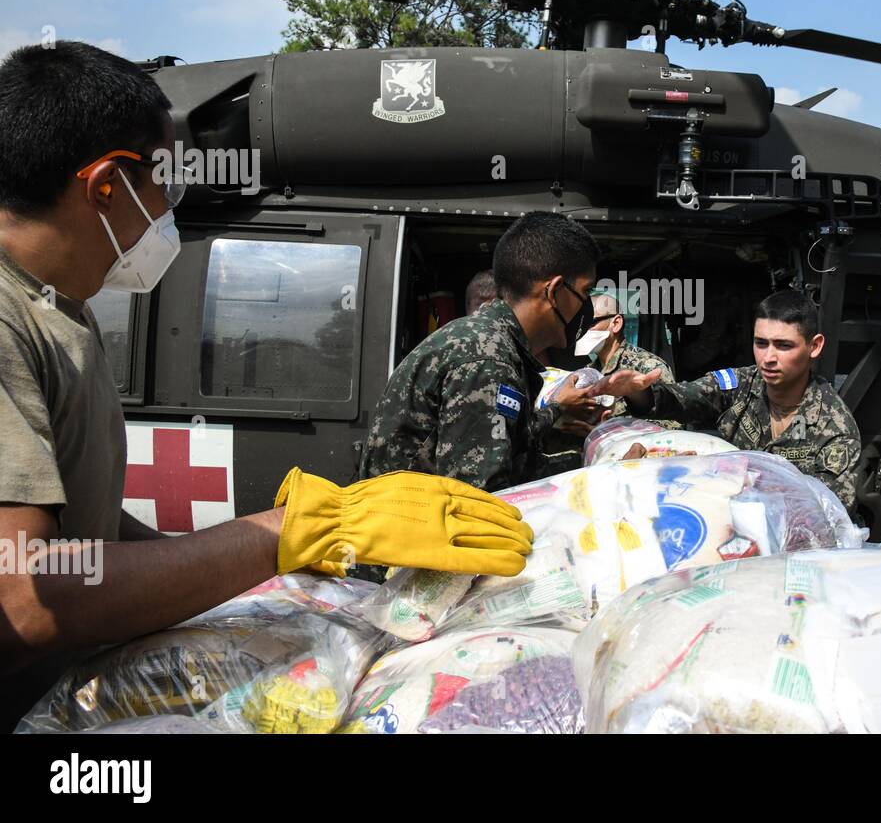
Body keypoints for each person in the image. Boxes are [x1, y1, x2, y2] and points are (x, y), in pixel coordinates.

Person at [0, 42, 532, 729]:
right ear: (106, 185)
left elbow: (96, 533)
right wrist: (287, 532)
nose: (169, 210)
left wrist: (268, 571)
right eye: (165, 183)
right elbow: (22, 595)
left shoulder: (62, 309)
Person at [359, 211, 605, 490]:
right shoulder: (488, 359)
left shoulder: (491, 342)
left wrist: (602, 469)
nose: (587, 306)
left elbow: (512, 458)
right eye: (585, 292)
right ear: (555, 291)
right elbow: (480, 503)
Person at [595, 289, 863, 509]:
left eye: (783, 346)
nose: (768, 358)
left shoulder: (835, 426)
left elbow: (831, 506)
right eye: (761, 343)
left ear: (814, 346)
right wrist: (636, 391)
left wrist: (746, 485)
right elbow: (685, 398)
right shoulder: (740, 384)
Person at [576, 288, 678, 426]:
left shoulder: (648, 367)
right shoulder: (587, 374)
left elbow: (671, 424)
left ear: (616, 323)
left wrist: (609, 432)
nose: (583, 330)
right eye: (581, 325)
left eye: (590, 323)